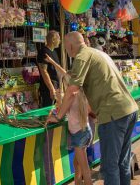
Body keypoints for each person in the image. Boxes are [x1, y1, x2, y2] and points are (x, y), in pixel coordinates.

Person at [46, 32, 138, 185]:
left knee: (110, 166)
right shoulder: (98, 53)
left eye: (65, 48)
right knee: (122, 162)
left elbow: (72, 90)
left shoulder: (81, 57)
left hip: (113, 115)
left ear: (69, 46)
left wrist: (58, 115)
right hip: (128, 109)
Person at [44, 54, 93, 185]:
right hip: (86, 132)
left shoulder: (70, 95)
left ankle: (83, 182)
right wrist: (52, 62)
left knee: (85, 170)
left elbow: (60, 113)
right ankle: (78, 182)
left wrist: (57, 104)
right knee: (77, 164)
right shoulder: (80, 90)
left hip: (79, 134)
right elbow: (64, 72)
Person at [37, 30, 61, 107]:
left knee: (55, 110)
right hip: (48, 88)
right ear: (53, 39)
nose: (60, 41)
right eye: (59, 39)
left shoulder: (54, 51)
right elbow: (44, 71)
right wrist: (51, 89)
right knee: (47, 109)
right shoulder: (43, 52)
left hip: (56, 85)